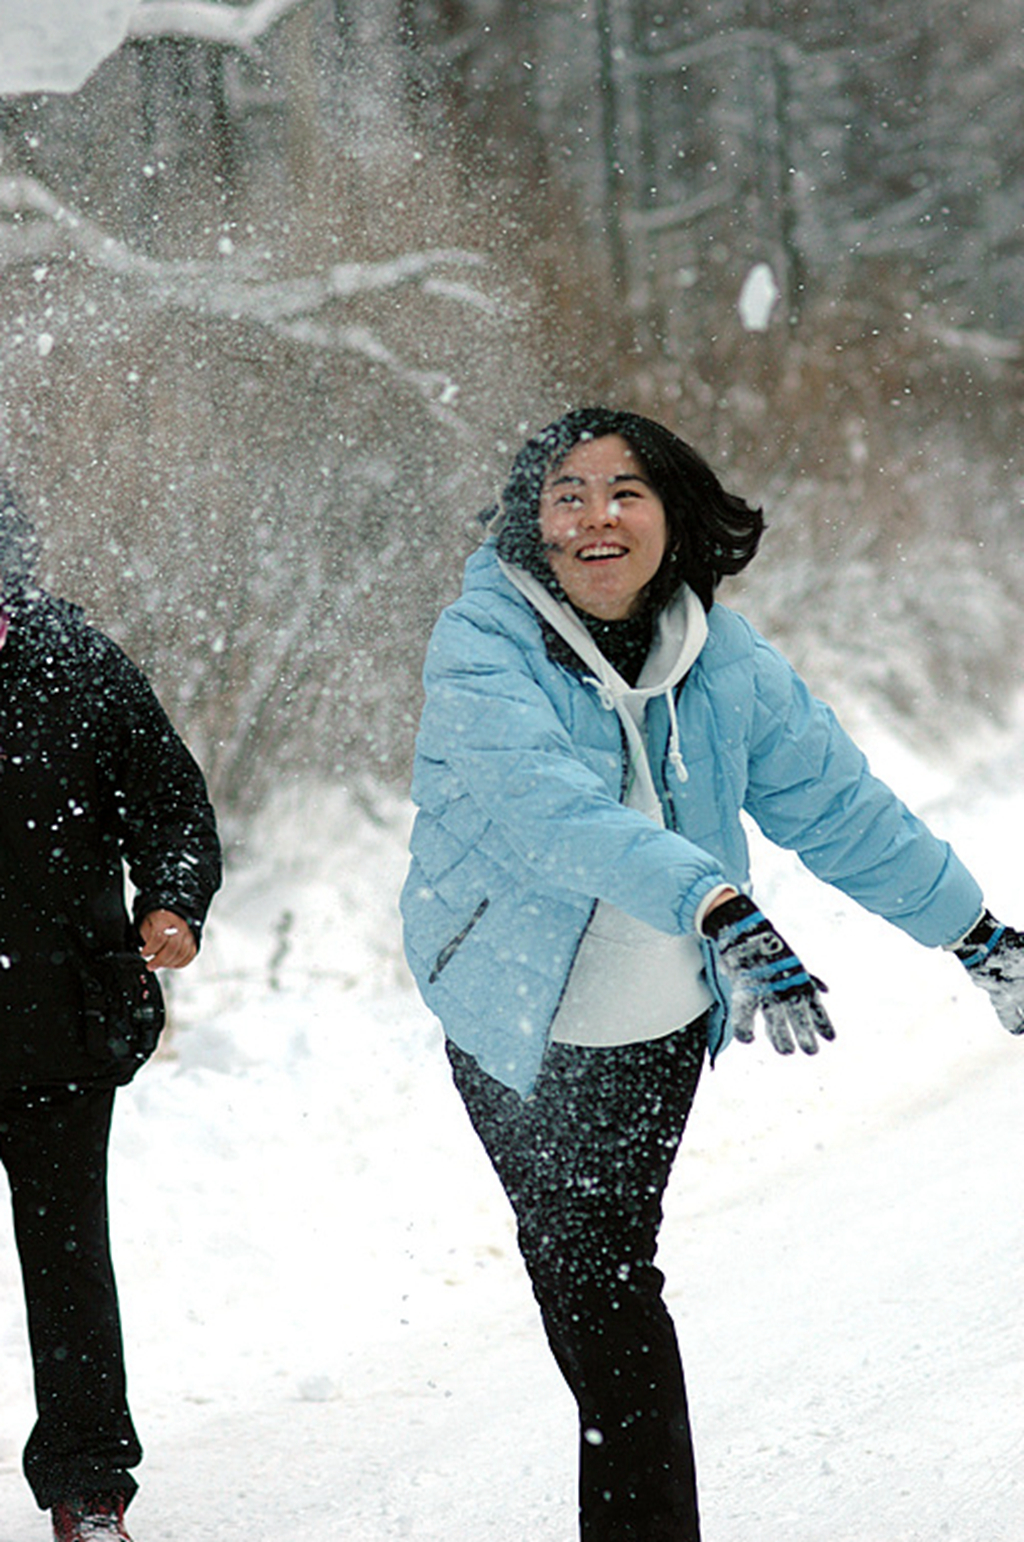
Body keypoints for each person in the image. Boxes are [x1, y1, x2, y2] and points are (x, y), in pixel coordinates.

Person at [400, 406, 1024, 1541]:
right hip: (516, 1014)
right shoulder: (481, 645)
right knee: (593, 1282)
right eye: (567, 495)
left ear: (671, 515)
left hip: (660, 1022)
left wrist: (973, 932)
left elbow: (837, 808)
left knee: (604, 1280)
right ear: (532, 522)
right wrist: (715, 902)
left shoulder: (720, 659)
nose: (596, 517)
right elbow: (546, 809)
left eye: (624, 492)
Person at [0, 488, 222, 1542]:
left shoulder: (74, 664)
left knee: (68, 1265)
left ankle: (89, 1486)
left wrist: (172, 901)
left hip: (58, 1025)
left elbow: (170, 802)